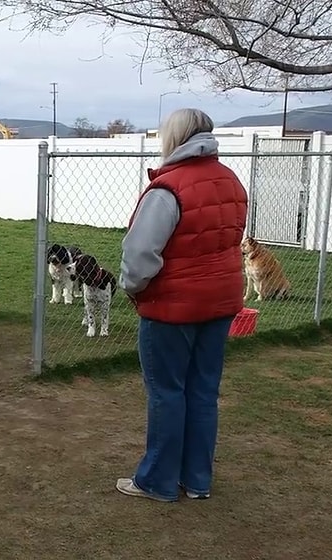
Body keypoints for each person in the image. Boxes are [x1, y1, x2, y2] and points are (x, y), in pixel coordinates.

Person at [115, 108, 248, 502]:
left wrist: (133, 289)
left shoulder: (167, 189)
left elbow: (140, 253)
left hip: (171, 309)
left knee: (167, 392)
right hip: (220, 304)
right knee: (203, 392)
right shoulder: (231, 181)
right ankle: (197, 481)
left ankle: (157, 480)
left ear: (174, 137)